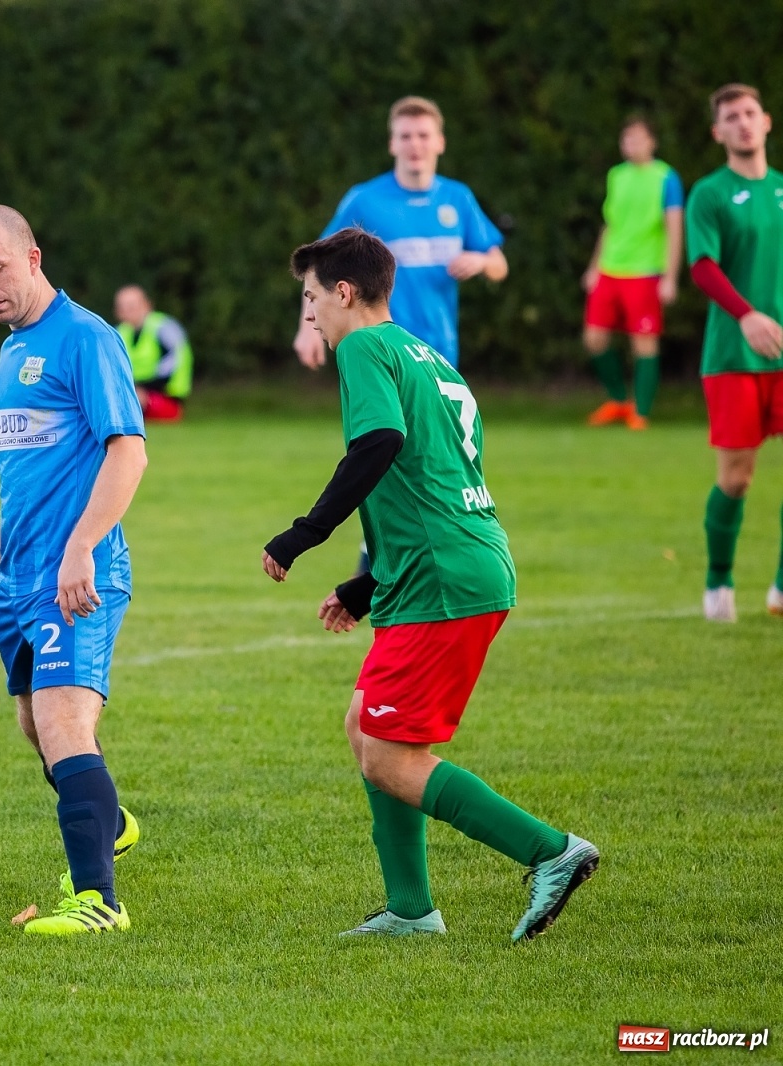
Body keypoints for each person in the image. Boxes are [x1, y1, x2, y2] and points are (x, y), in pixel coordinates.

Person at [263, 227, 597, 941]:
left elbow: (379, 445)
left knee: (388, 753)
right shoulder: (426, 352)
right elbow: (427, 480)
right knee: (365, 724)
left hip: (445, 576)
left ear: (344, 292)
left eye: (312, 297)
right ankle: (411, 911)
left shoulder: (363, 349)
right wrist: (365, 586)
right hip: (446, 564)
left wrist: (305, 533)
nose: (310, 313)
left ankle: (551, 852)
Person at [0, 204, 147, 937]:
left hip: (77, 576)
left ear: (33, 257)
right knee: (38, 726)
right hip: (21, 576)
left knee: (65, 722)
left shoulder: (85, 339)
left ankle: (99, 902)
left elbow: (127, 452)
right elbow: (33, 476)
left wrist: (81, 547)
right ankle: (110, 823)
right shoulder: (11, 354)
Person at [294, 96, 508, 373]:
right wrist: (308, 327)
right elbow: (317, 263)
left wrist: (480, 262)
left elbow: (499, 265)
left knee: (432, 418)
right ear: (392, 144)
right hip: (382, 343)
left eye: (423, 135)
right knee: (385, 417)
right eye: (405, 136)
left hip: (440, 347)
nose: (415, 144)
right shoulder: (364, 200)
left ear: (440, 142)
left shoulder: (458, 198)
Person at [684, 84, 783, 621]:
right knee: (737, 478)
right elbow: (702, 265)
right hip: (733, 357)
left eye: (750, 113)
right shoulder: (711, 194)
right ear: (717, 132)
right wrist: (746, 314)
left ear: (766, 122)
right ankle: (719, 583)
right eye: (731, 117)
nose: (743, 123)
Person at [581, 117, 684, 430]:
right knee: (594, 338)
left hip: (645, 271)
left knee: (644, 342)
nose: (631, 145)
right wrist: (594, 266)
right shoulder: (617, 175)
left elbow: (674, 228)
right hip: (611, 268)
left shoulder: (666, 177)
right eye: (626, 140)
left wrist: (670, 276)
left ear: (652, 142)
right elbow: (610, 224)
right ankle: (617, 400)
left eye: (638, 139)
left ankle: (641, 410)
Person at [113, 284, 193, 422]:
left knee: (133, 400)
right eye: (122, 307)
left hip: (165, 397)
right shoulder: (119, 332)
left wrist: (141, 387)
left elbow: (174, 364)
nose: (126, 311)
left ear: (147, 305)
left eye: (131, 306)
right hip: (132, 393)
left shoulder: (164, 328)